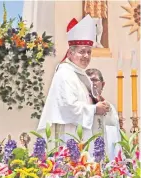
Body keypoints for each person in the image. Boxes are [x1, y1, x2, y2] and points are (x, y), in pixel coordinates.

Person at [37, 15, 110, 151]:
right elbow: (68, 107)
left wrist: (98, 103)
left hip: (83, 133)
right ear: (70, 53)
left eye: (89, 52)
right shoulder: (64, 74)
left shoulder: (80, 74)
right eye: (82, 52)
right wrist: (94, 109)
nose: (86, 56)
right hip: (70, 135)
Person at [86, 68, 121, 160]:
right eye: (88, 80)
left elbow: (114, 132)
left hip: (106, 151)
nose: (91, 83)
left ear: (103, 84)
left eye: (94, 80)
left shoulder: (110, 108)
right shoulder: (82, 106)